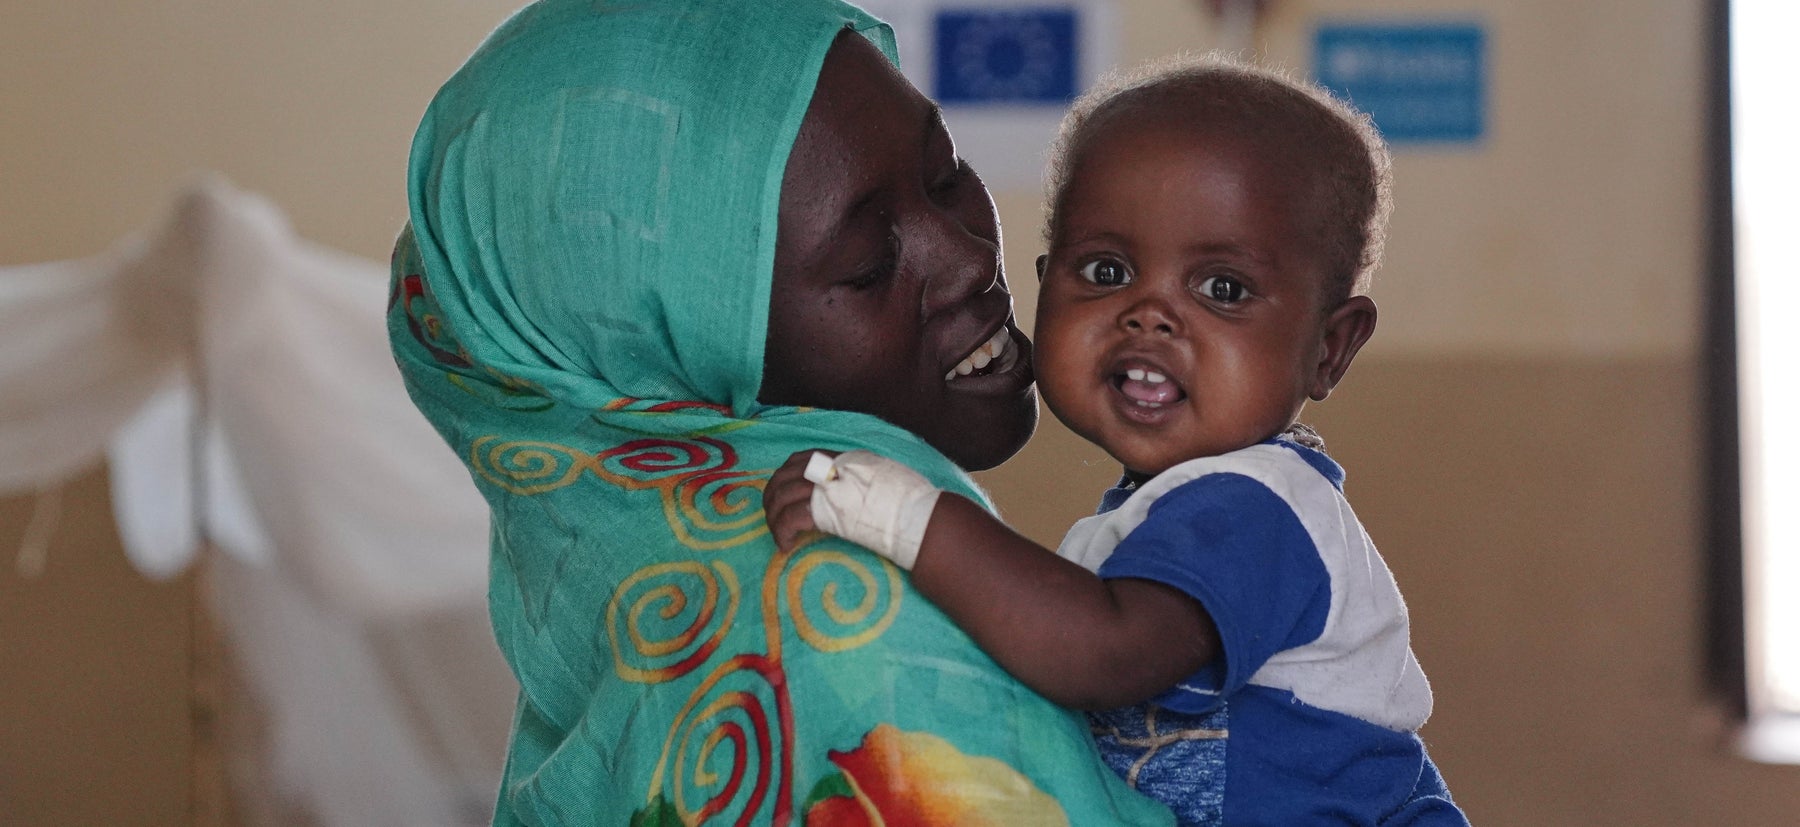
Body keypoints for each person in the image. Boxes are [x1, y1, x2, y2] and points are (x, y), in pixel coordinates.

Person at [387, 0, 1178, 824]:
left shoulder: (658, 608)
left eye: (944, 174)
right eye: (868, 264)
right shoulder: (848, 634)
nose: (968, 258)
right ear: (671, 357)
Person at [765, 55, 1469, 825]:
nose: (1149, 315)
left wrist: (901, 516)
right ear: (1047, 284)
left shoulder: (1262, 506)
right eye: (1106, 270)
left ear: (1330, 347)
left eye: (1223, 289)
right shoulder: (1158, 515)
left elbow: (1101, 653)